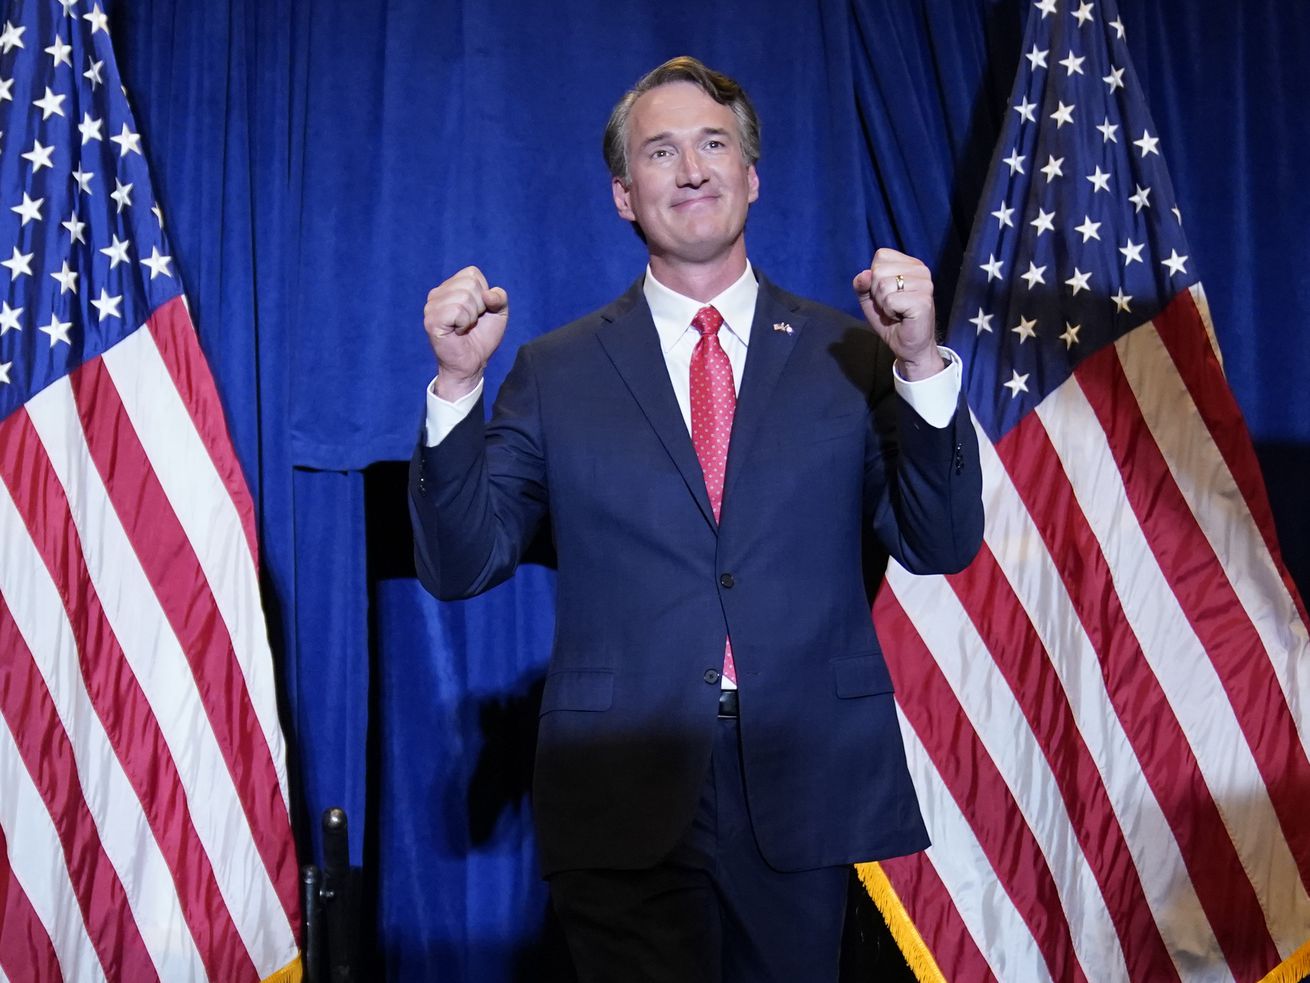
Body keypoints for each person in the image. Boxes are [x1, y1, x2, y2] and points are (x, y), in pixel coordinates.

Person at [410, 56, 983, 983]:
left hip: (799, 776)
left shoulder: (853, 351)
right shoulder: (556, 371)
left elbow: (941, 540)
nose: (691, 169)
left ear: (751, 178)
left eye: (714, 145)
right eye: (661, 152)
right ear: (623, 196)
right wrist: (456, 386)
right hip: (621, 783)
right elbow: (458, 561)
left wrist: (920, 367)